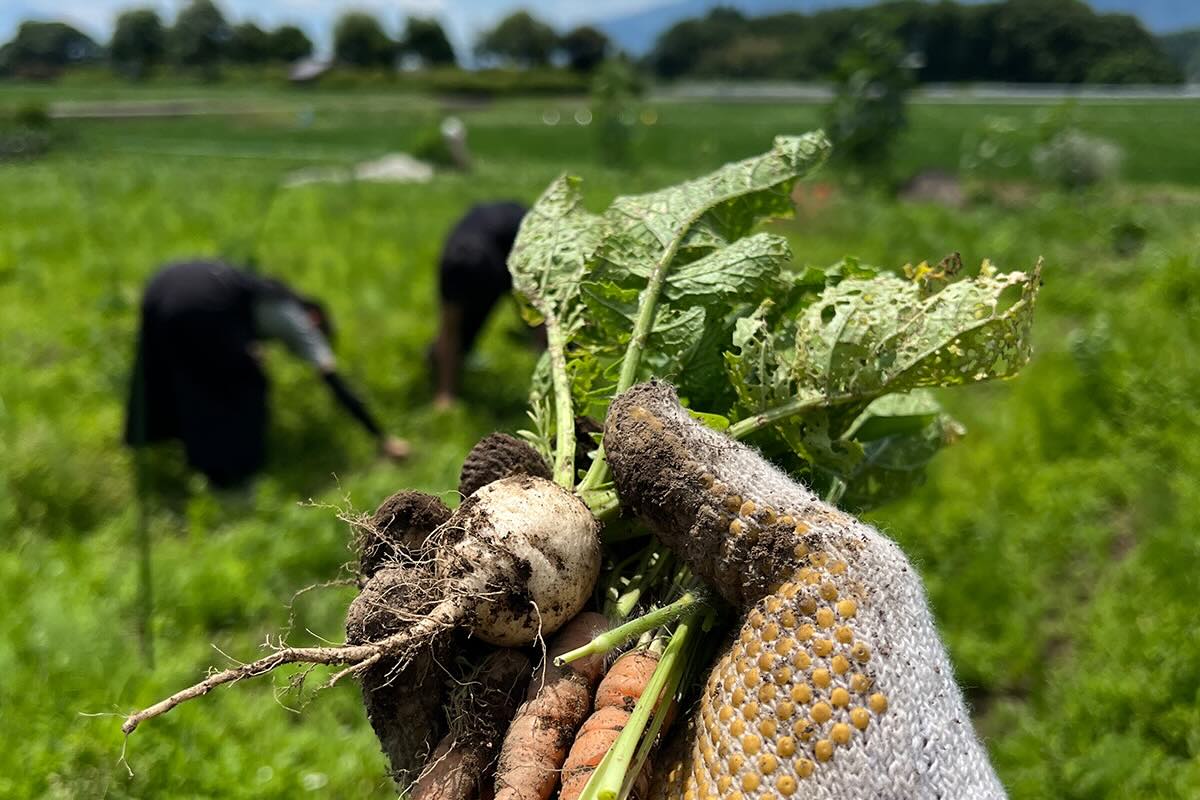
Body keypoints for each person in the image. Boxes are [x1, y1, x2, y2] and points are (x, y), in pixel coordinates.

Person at [125, 259, 408, 489]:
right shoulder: (296, 320)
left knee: (176, 375)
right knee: (243, 381)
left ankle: (164, 448)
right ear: (315, 319)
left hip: (160, 286)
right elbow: (333, 379)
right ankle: (234, 475)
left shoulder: (259, 291)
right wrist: (381, 436)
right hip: (198, 305)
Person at [430, 201, 530, 409]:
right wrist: (445, 395)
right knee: (460, 335)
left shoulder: (508, 260)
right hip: (480, 242)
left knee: (538, 316)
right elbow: (449, 330)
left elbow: (538, 305)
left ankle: (561, 365)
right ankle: (447, 373)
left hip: (517, 232)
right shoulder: (453, 267)